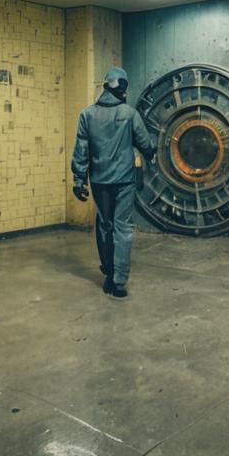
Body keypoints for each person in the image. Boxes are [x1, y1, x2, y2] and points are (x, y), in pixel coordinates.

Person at [71, 67, 156, 299]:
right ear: (122, 88)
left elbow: (81, 149)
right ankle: (119, 282)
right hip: (125, 181)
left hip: (99, 180)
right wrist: (151, 154)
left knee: (105, 225)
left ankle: (108, 274)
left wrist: (79, 179)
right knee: (123, 228)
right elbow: (145, 143)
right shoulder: (129, 114)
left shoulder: (87, 115)